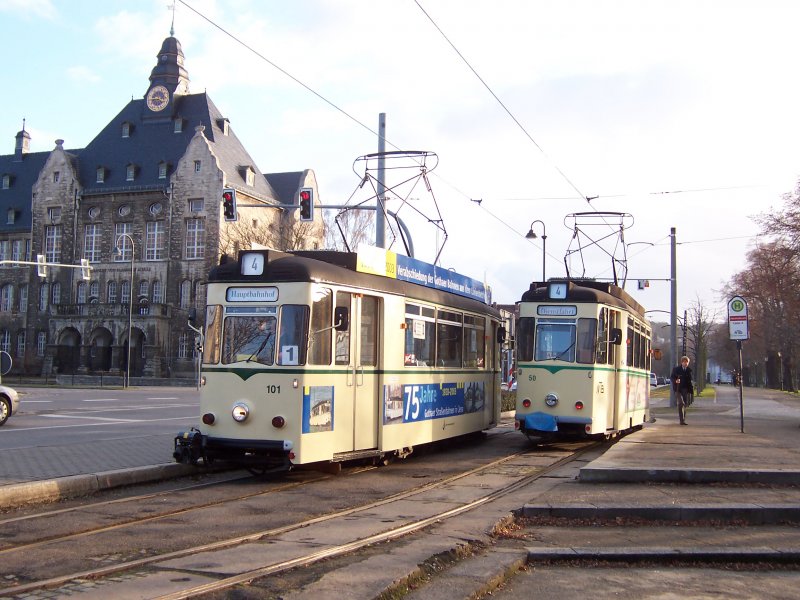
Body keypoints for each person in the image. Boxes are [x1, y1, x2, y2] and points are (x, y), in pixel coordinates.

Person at [671, 355, 694, 425]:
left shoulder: (689, 371)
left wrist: (691, 391)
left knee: (685, 405)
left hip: (685, 389)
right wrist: (675, 381)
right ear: (682, 362)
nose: (685, 363)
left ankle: (683, 420)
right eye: (684, 362)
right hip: (678, 389)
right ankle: (681, 420)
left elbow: (690, 382)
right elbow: (672, 377)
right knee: (681, 403)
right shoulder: (676, 369)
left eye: (687, 362)